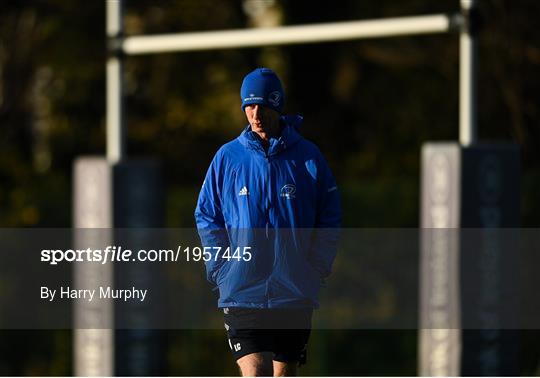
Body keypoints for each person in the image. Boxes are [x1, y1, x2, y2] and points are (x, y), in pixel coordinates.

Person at [195, 67, 341, 376]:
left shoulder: (308, 157)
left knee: (284, 373)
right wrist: (222, 267)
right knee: (256, 372)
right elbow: (207, 214)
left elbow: (330, 215)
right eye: (248, 105)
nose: (255, 113)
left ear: (277, 103)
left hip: (293, 290)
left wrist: (315, 266)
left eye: (261, 104)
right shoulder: (227, 157)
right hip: (242, 289)